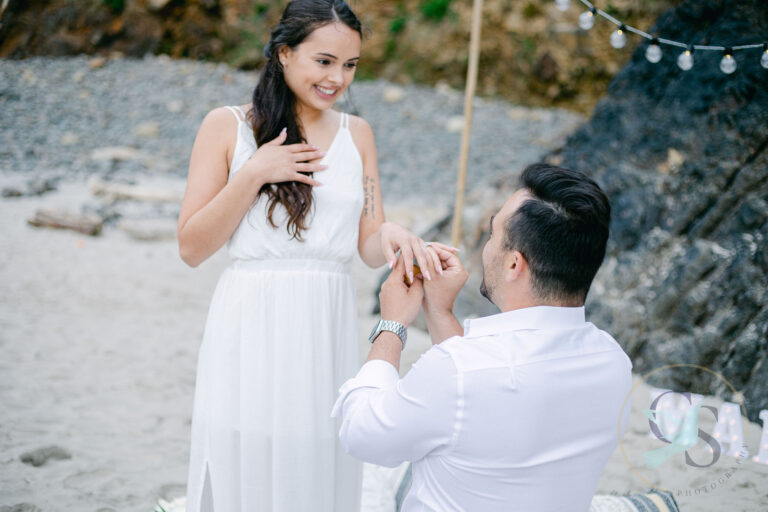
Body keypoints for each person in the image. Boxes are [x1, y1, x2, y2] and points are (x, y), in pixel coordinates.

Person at [177, 1, 447, 510]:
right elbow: (191, 246)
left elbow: (367, 245)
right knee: (248, 449)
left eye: (350, 66)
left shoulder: (356, 134)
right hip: (251, 317)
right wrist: (256, 171)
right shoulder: (227, 126)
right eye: (324, 61)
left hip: (326, 320)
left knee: (316, 458)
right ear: (284, 53)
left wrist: (391, 232)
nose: (337, 78)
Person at [332, 163, 634, 511]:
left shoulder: (459, 371)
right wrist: (440, 311)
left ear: (513, 265)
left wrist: (392, 324)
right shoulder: (613, 364)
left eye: (493, 235)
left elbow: (362, 434)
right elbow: (477, 406)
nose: (486, 248)